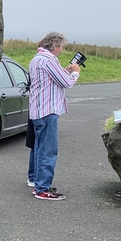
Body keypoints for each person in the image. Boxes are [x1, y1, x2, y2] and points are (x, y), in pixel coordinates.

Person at [28, 32, 81, 201]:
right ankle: (42, 189)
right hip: (47, 110)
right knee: (48, 150)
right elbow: (67, 83)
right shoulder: (49, 60)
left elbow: (52, 78)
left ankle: (38, 183)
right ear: (55, 46)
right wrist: (76, 72)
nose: (62, 50)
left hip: (37, 111)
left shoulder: (37, 59)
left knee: (39, 148)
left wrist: (65, 70)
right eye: (62, 47)